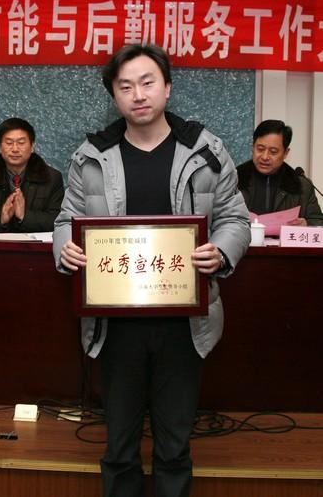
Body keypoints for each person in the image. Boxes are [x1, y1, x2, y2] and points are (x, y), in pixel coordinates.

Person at [53, 44, 250, 497]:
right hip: (115, 323)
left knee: (175, 445)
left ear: (167, 88)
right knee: (119, 446)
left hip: (185, 323)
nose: (138, 95)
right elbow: (66, 220)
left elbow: (235, 219)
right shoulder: (92, 155)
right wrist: (66, 249)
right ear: (114, 96)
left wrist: (221, 252)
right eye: (125, 87)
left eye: (147, 83)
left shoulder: (205, 150)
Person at [0, 117, 64, 233]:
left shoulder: (52, 178)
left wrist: (25, 216)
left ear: (32, 146)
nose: (15, 149)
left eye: (21, 143)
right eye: (9, 143)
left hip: (34, 244)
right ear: (0, 147)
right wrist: (0, 218)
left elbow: (60, 221)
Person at [236, 119, 323, 226]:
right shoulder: (234, 179)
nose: (265, 157)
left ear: (286, 153)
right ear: (253, 147)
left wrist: (307, 224)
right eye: (260, 149)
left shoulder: (302, 186)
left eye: (273, 152)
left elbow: (318, 221)